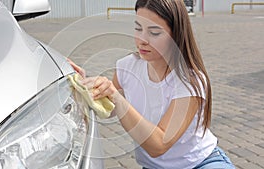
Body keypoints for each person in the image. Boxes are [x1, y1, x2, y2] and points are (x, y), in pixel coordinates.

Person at [70, 0, 236, 168]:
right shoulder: (127, 66)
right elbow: (109, 109)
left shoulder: (190, 80)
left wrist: (117, 97)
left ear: (176, 35)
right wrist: (83, 85)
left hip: (200, 163)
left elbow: (159, 145)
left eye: (154, 32)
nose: (142, 40)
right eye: (138, 28)